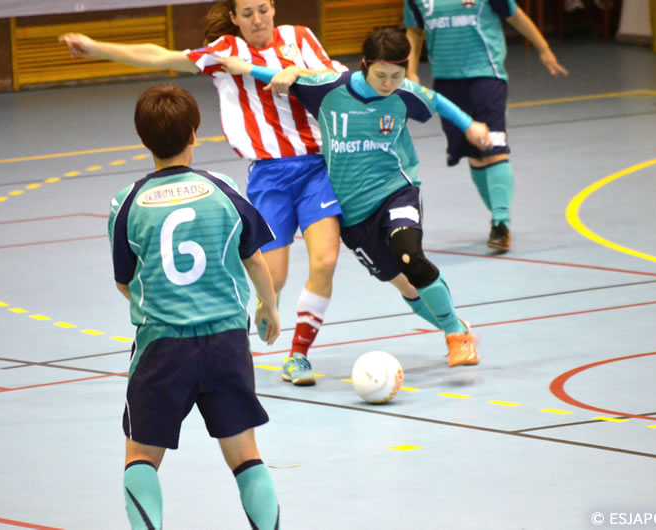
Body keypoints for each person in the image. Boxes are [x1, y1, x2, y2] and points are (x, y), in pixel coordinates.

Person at [61, 0, 348, 386]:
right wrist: (96, 48)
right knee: (273, 278)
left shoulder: (300, 38)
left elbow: (338, 79)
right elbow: (160, 56)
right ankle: (251, 323)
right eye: (247, 13)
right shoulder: (226, 53)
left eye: (262, 9)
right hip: (270, 175)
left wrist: (297, 71)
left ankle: (298, 356)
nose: (257, 19)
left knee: (325, 261)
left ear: (273, 7)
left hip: (317, 167)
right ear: (234, 18)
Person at [218, 27, 488, 366]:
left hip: (396, 191)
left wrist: (470, 126)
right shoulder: (330, 88)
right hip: (355, 216)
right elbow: (284, 75)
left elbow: (437, 102)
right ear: (364, 65)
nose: (388, 83)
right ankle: (457, 327)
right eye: (380, 75)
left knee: (410, 256)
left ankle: (455, 335)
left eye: (396, 76)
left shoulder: (405, 93)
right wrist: (246, 68)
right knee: (407, 286)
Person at [109, 84, 281, 529]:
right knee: (245, 456)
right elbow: (254, 259)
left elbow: (125, 282)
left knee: (141, 456)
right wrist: (269, 306)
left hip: (163, 348)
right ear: (193, 133)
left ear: (143, 139)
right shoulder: (221, 188)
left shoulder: (127, 203)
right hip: (226, 342)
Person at [404, 0, 569, 251]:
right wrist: (411, 71)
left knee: (492, 147)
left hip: (486, 75)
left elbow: (515, 15)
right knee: (475, 155)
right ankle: (497, 215)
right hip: (446, 81)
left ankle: (501, 223)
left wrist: (543, 48)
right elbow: (414, 31)